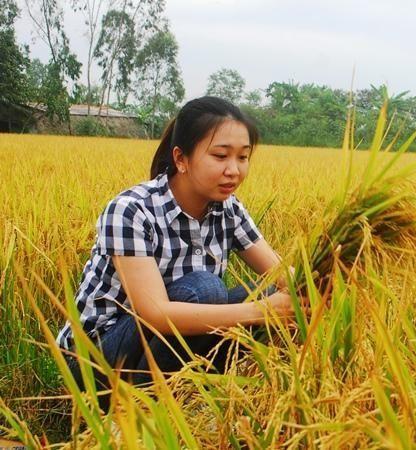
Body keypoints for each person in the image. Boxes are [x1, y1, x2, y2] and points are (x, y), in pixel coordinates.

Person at [56, 96, 298, 408]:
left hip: (159, 346)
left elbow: (279, 275)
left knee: (271, 295)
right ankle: (135, 413)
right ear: (181, 159)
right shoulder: (131, 210)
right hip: (95, 359)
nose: (234, 170)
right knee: (207, 289)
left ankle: (189, 400)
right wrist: (260, 311)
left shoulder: (229, 210)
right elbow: (155, 313)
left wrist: (308, 289)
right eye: (221, 156)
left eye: (243, 157)